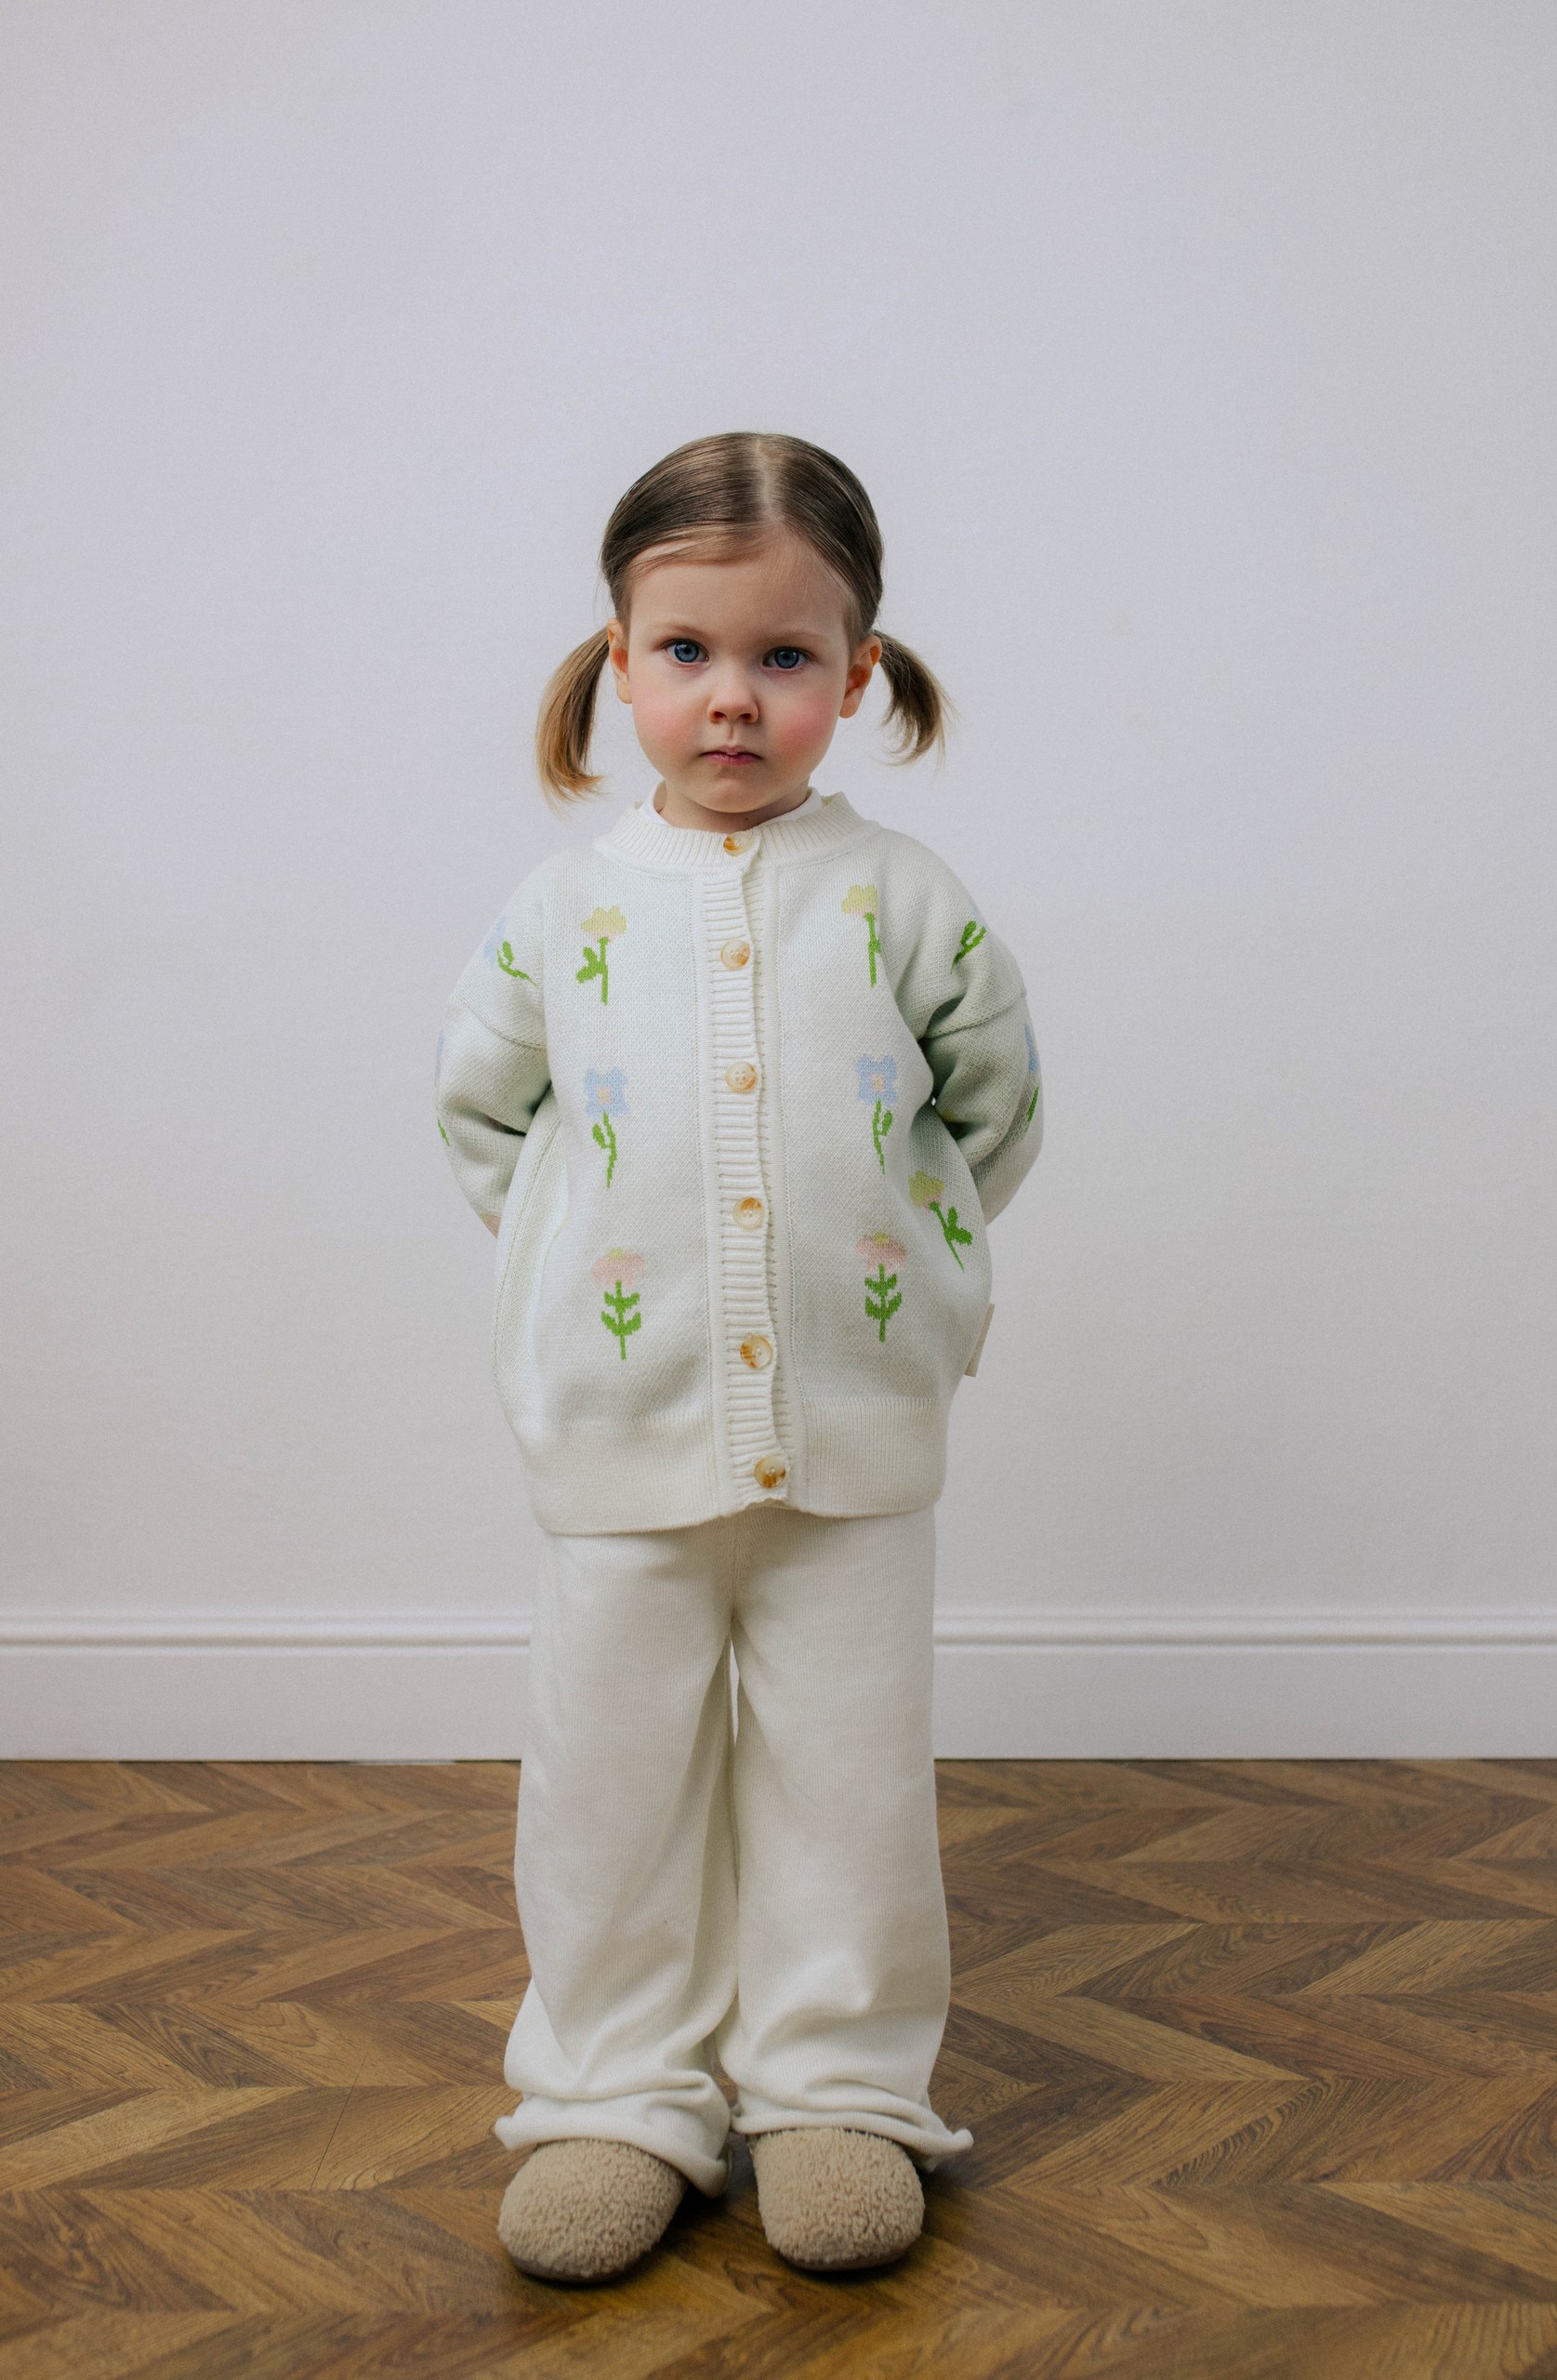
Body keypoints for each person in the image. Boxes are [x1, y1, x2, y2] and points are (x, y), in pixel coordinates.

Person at [435, 431, 1043, 2282]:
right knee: (606, 1784)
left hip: (856, 1436)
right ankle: (613, 2096)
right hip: (616, 1430)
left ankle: (836, 2090)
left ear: (856, 677)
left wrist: (906, 1271)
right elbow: (487, 1121)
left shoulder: (904, 897)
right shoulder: (564, 908)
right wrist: (582, 1272)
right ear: (616, 661)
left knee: (846, 1783)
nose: (731, 697)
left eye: (785, 656)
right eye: (687, 651)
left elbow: (992, 1109)